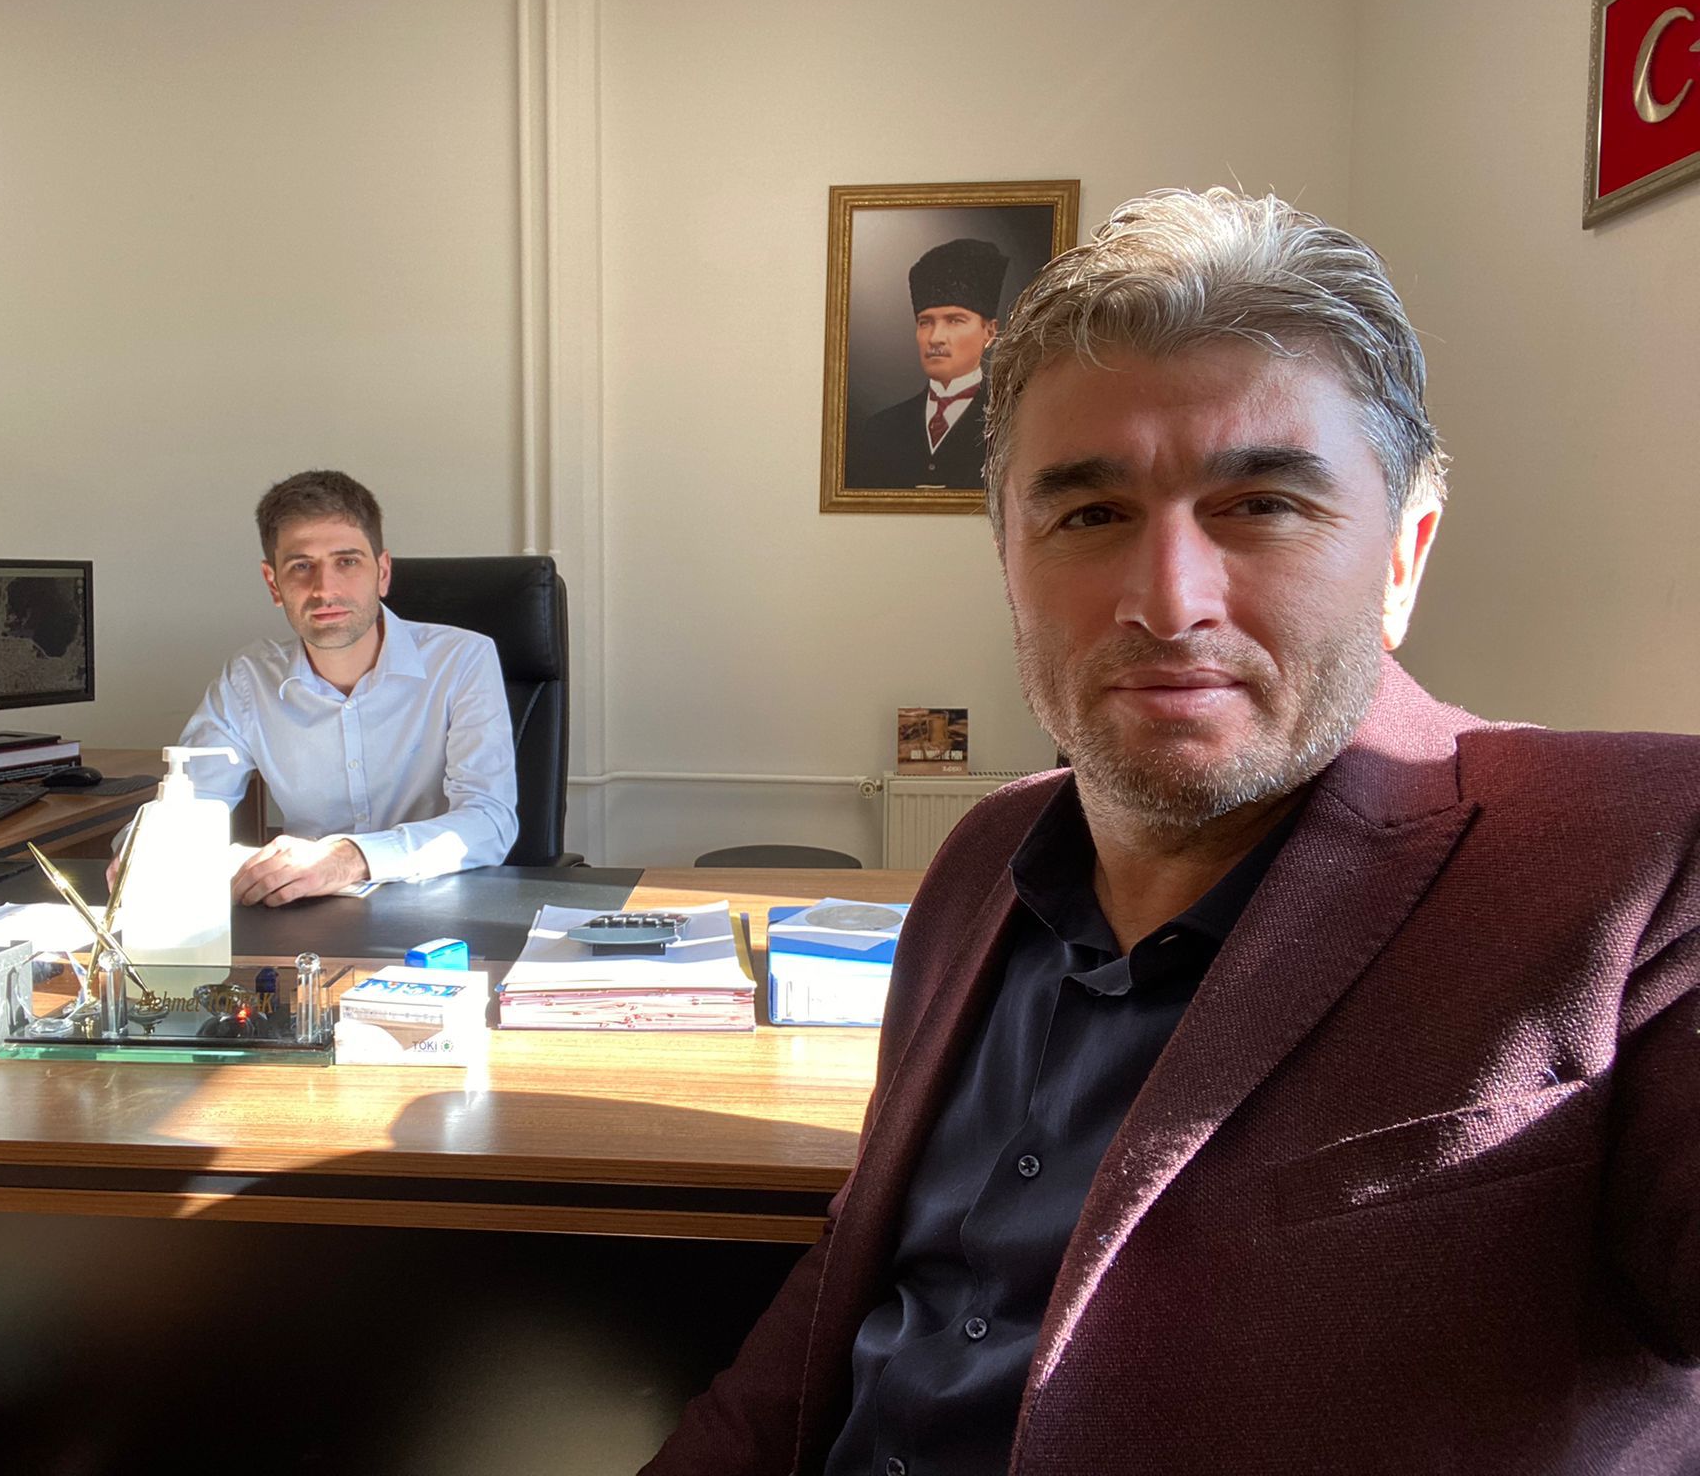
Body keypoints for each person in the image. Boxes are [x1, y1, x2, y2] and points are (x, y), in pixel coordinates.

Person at [646, 190, 1700, 1473]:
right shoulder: (981, 860)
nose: (1166, 601)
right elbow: (859, 1292)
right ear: (1007, 558)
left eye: (1260, 505)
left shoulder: (1642, 861)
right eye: (1088, 515)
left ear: (1401, 557)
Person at [151, 469, 518, 905]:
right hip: (306, 913)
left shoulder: (461, 660)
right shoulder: (249, 680)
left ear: (383, 573)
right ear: (273, 583)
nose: (324, 589)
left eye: (347, 562)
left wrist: (348, 858)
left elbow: (489, 821)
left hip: (443, 905)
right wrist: (151, 852)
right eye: (301, 566)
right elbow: (192, 801)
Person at [844, 237, 1008, 491]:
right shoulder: (881, 429)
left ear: (989, 332)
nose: (935, 338)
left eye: (954, 320)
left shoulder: (1011, 424)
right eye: (925, 322)